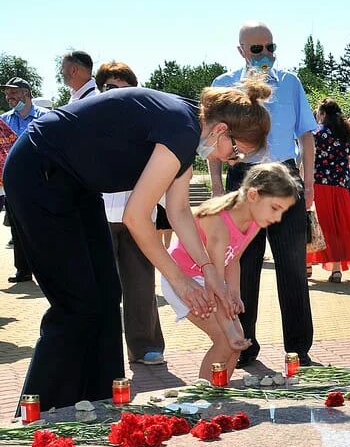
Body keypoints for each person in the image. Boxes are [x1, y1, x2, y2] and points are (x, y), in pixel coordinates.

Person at [3, 78, 271, 412]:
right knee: (77, 304)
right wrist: (179, 279)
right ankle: (38, 414)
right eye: (236, 151)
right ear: (220, 130)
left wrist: (208, 271)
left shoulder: (190, 130)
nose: (233, 160)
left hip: (76, 185)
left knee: (106, 295)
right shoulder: (182, 128)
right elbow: (136, 216)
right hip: (38, 172)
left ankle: (98, 402)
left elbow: (179, 211)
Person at [210, 21, 317, 367]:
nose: (265, 55)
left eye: (271, 47)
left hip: (285, 177)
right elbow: (211, 144)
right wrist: (215, 187)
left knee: (292, 266)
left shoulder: (290, 82)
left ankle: (298, 348)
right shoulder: (223, 86)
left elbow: (307, 136)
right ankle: (245, 345)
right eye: (257, 49)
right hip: (242, 179)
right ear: (240, 50)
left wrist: (310, 184)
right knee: (241, 266)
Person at [164, 163, 298, 381]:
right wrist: (228, 325)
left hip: (209, 278)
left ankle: (221, 396)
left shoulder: (254, 222)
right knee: (225, 340)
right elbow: (214, 282)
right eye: (275, 208)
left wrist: (234, 294)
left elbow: (233, 259)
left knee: (236, 341)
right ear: (253, 195)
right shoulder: (219, 221)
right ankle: (203, 396)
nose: (278, 218)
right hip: (184, 278)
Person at [94, 62, 166, 366]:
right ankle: (101, 348)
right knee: (101, 286)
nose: (118, 96)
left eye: (125, 89)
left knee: (140, 284)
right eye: (111, 88)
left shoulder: (147, 124)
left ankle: (145, 345)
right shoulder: (88, 121)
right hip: (98, 215)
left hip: (139, 217)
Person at [306, 99, 350, 281]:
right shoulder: (345, 134)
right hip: (340, 186)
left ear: (322, 114)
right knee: (336, 227)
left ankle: (306, 265)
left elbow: (307, 159)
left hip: (318, 184)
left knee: (312, 224)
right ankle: (336, 269)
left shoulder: (317, 133)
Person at [1, 77, 47, 283]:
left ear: (26, 93)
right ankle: (23, 270)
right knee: (18, 229)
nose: (8, 97)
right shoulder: (3, 121)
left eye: (13, 92)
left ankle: (50, 269)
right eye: (6, 93)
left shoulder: (45, 117)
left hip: (41, 181)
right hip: (12, 183)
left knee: (44, 226)